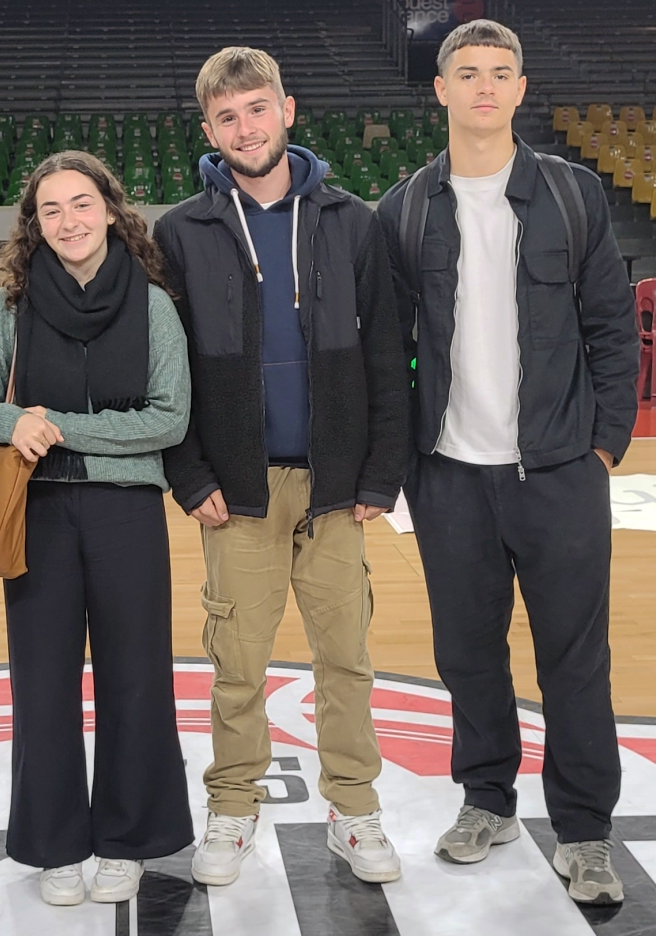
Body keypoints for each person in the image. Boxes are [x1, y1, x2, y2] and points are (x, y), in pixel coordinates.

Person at [377, 20, 639, 904]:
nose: (484, 86)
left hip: (560, 470)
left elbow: (610, 324)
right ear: (441, 89)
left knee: (575, 657)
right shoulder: (404, 209)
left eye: (501, 73)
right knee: (468, 654)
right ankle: (486, 799)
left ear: (521, 89)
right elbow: (388, 348)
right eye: (467, 72)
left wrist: (605, 444)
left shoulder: (574, 195)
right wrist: (404, 463)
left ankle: (586, 830)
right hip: (450, 474)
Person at [154, 47, 411, 886]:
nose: (245, 127)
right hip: (238, 493)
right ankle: (232, 808)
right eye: (227, 117)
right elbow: (170, 365)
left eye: (257, 109)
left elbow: (384, 352)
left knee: (347, 659)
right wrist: (190, 477)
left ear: (287, 110)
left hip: (337, 490)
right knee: (237, 662)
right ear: (208, 129)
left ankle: (354, 807)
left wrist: (379, 474)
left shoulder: (353, 220)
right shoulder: (180, 232)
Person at [0, 150, 194, 907]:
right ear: (34, 224)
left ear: (110, 209)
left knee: (137, 678)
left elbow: (169, 417)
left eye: (82, 204)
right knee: (42, 683)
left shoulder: (154, 302)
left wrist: (51, 424)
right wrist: (12, 420)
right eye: (51, 209)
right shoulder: (8, 305)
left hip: (127, 512)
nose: (69, 220)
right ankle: (55, 844)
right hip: (38, 512)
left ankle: (129, 839)